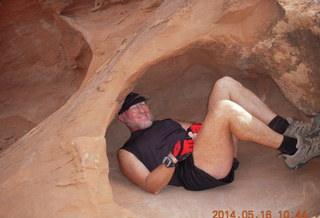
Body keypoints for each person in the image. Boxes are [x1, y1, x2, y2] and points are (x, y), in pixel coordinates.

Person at [117, 76, 320, 194]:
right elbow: (150, 186)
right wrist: (172, 158)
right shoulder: (127, 152)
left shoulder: (166, 122)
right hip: (196, 172)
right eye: (134, 108)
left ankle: (287, 129)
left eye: (143, 103)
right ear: (122, 118)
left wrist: (196, 132)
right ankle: (295, 150)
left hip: (211, 154)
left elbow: (204, 128)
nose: (142, 109)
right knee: (224, 109)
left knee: (225, 84)